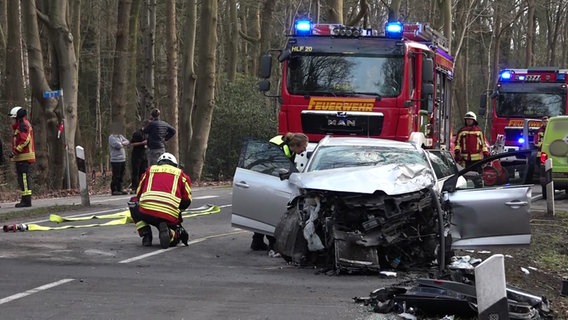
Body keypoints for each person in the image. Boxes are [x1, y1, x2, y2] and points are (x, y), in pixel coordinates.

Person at [250, 132, 309, 252]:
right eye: (304, 147)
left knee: (264, 211)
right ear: (297, 145)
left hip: (265, 180)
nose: (305, 150)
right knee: (271, 213)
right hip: (265, 182)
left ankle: (257, 241)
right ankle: (273, 244)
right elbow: (278, 168)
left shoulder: (288, 148)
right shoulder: (281, 150)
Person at [129, 152, 191, 249]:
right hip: (169, 215)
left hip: (147, 212)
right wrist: (178, 212)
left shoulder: (150, 170)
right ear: (174, 165)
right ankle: (172, 234)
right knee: (171, 229)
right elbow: (187, 199)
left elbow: (138, 193)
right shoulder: (182, 175)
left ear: (159, 163)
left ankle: (146, 235)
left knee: (133, 202)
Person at [9, 106, 36, 208]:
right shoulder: (21, 125)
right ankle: (24, 199)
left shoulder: (23, 125)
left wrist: (15, 151)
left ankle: (26, 200)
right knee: (22, 179)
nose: (11, 121)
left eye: (13, 118)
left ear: (17, 118)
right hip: (21, 158)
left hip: (24, 157)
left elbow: (25, 140)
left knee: (24, 179)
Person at [454, 111, 489, 188]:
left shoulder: (479, 131)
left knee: (477, 177)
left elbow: (483, 144)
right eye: (467, 119)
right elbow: (457, 143)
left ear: (474, 121)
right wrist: (457, 152)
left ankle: (479, 190)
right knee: (464, 177)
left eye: (470, 119)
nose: (468, 121)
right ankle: (464, 190)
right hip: (465, 159)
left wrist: (486, 153)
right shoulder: (462, 131)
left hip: (477, 159)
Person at [130, 119, 150, 192]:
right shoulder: (137, 133)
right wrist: (142, 143)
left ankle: (142, 187)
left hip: (145, 154)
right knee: (136, 171)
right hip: (137, 154)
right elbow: (132, 144)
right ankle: (135, 187)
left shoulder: (148, 134)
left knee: (143, 171)